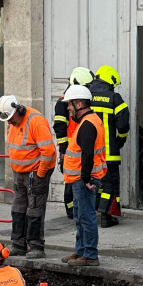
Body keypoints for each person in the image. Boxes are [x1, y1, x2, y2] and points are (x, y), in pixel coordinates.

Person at [0, 94, 56, 259]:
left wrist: (40, 173)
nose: (9, 122)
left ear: (18, 110)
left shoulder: (35, 121)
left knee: (34, 210)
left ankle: (36, 246)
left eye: (10, 118)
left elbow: (49, 151)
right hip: (20, 173)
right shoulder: (12, 122)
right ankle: (18, 244)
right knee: (18, 209)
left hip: (35, 172)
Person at [61, 84, 106, 266]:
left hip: (84, 179)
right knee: (80, 216)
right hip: (80, 179)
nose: (68, 108)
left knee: (86, 217)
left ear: (79, 104)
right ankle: (81, 252)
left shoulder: (87, 125)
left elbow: (87, 155)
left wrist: (86, 179)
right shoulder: (90, 121)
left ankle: (90, 255)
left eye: (70, 104)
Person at [89, 65, 130, 228]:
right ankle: (106, 217)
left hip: (88, 153)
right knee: (109, 184)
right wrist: (120, 141)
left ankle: (93, 214)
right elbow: (123, 126)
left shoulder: (86, 97)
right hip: (108, 153)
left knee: (93, 183)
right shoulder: (115, 98)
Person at [54, 67, 96, 219]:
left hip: (81, 146)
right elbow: (59, 128)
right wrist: (64, 151)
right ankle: (71, 211)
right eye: (87, 86)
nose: (89, 89)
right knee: (70, 182)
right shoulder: (63, 103)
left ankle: (80, 210)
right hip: (71, 150)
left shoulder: (82, 99)